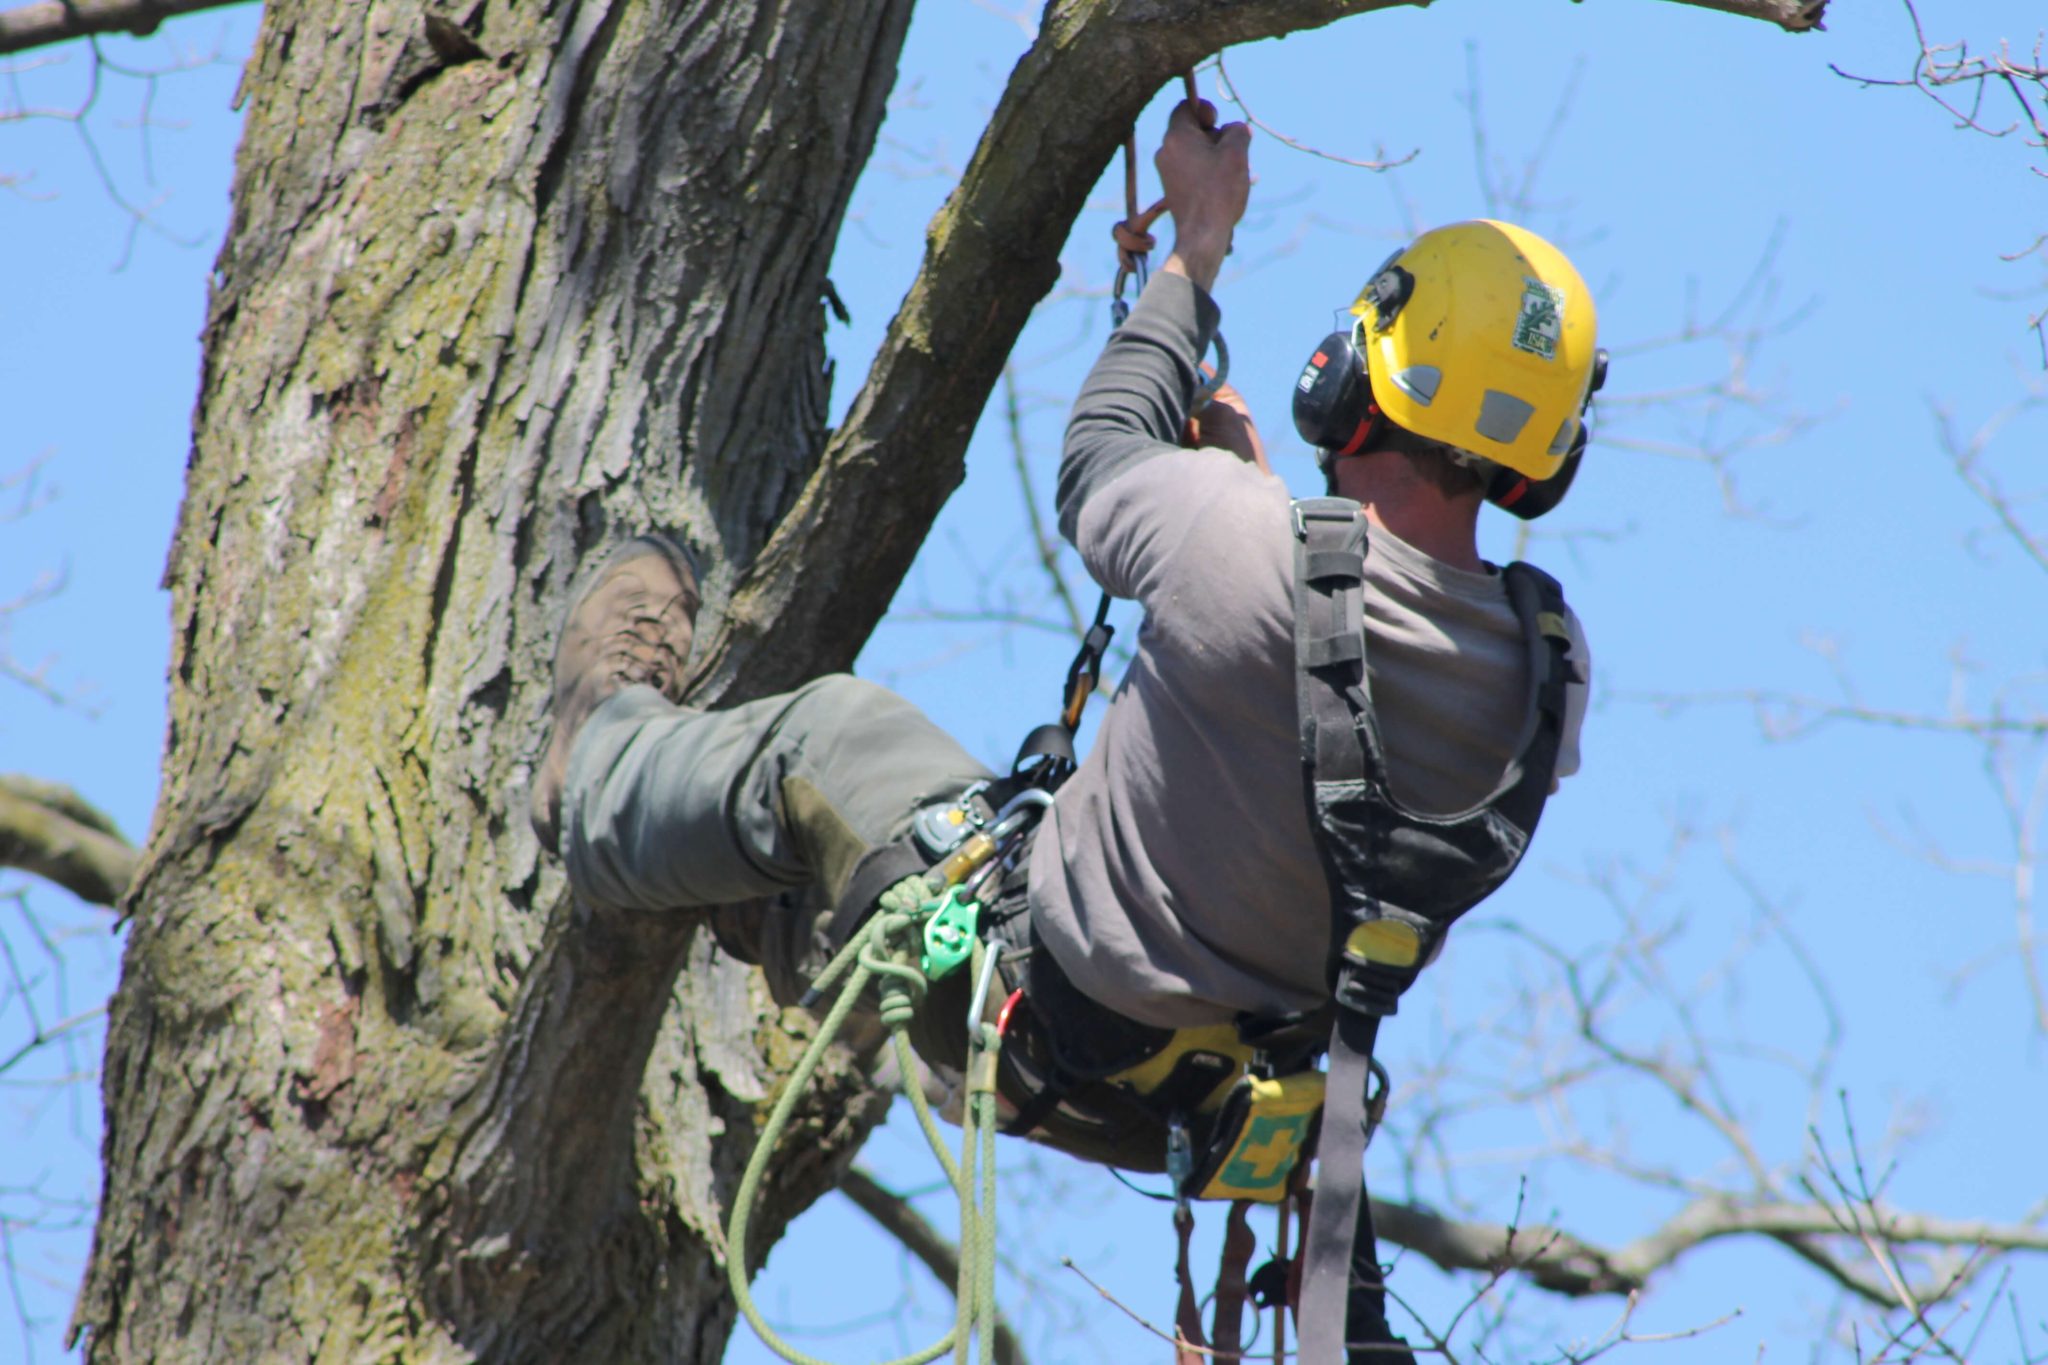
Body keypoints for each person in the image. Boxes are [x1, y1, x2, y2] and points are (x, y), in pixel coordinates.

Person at [529, 98, 1595, 1362]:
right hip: (1184, 1111)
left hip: (1030, 1002)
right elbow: (1360, 676)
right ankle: (758, 905)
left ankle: (591, 779)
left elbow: (1099, 457)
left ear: (1363, 365)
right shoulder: (1548, 676)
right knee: (885, 843)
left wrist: (1194, 257)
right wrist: (1255, 504)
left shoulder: (1238, 539)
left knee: (825, 737)